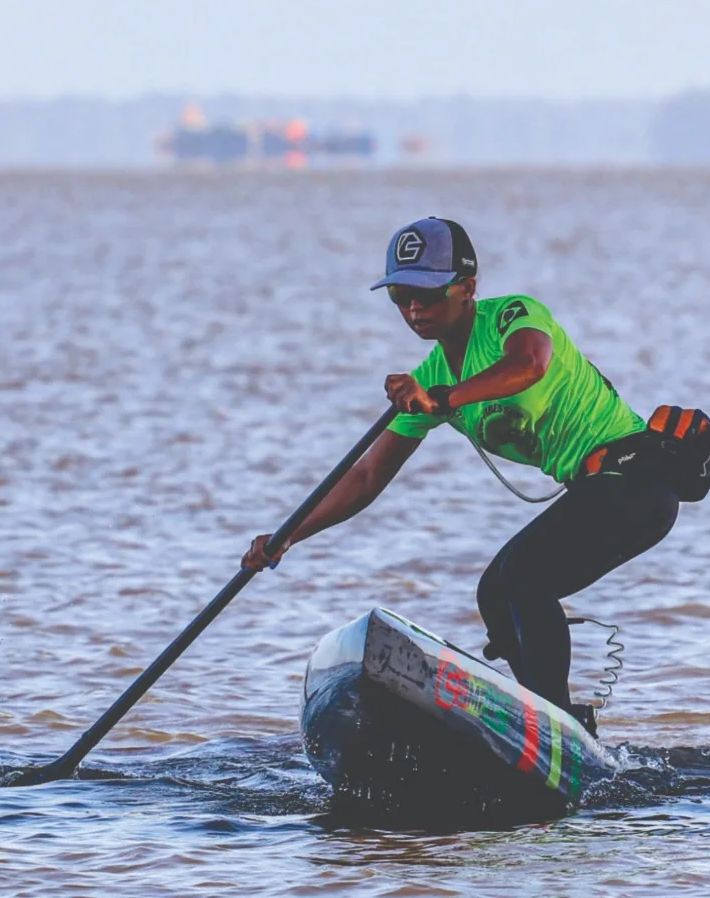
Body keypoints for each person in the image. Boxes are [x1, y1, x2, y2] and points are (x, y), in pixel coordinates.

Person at [243, 217, 682, 735]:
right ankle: (554, 725)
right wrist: (287, 535)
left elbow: (531, 365)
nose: (413, 311)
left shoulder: (512, 317)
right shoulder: (429, 379)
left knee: (523, 576)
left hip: (637, 479)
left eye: (427, 296)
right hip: (598, 491)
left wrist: (446, 399)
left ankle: (558, 726)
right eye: (401, 297)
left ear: (468, 288)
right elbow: (364, 479)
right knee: (495, 595)